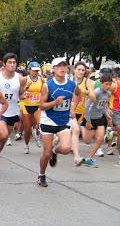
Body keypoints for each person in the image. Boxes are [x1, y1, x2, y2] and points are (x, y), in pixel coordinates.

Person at [37, 58, 80, 187]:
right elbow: (41, 106)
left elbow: (78, 95)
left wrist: (73, 108)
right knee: (46, 152)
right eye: (59, 66)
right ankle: (41, 175)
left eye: (64, 65)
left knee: (66, 149)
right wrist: (54, 102)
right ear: (54, 69)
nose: (62, 68)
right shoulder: (47, 85)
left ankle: (55, 151)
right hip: (48, 120)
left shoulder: (72, 84)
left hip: (63, 120)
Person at [0, 53, 26, 171]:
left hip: (13, 111)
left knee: (5, 138)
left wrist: (24, 96)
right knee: (3, 134)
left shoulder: (20, 79)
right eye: (10, 62)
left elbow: (20, 94)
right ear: (4, 64)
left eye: (14, 62)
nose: (12, 64)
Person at [82, 74, 112, 167]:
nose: (108, 86)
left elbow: (101, 107)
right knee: (87, 140)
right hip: (90, 118)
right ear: (101, 83)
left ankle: (89, 158)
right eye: (106, 84)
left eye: (110, 84)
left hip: (99, 118)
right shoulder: (96, 92)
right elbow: (87, 107)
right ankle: (80, 127)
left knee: (100, 139)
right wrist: (87, 121)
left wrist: (107, 115)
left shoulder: (108, 94)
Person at [21, 62, 43, 153]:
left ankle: (36, 134)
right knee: (27, 129)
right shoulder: (24, 79)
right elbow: (20, 93)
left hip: (37, 105)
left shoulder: (41, 79)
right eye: (34, 70)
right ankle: (26, 145)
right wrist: (26, 87)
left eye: (37, 70)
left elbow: (44, 91)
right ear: (29, 70)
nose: (36, 72)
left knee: (40, 123)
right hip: (26, 105)